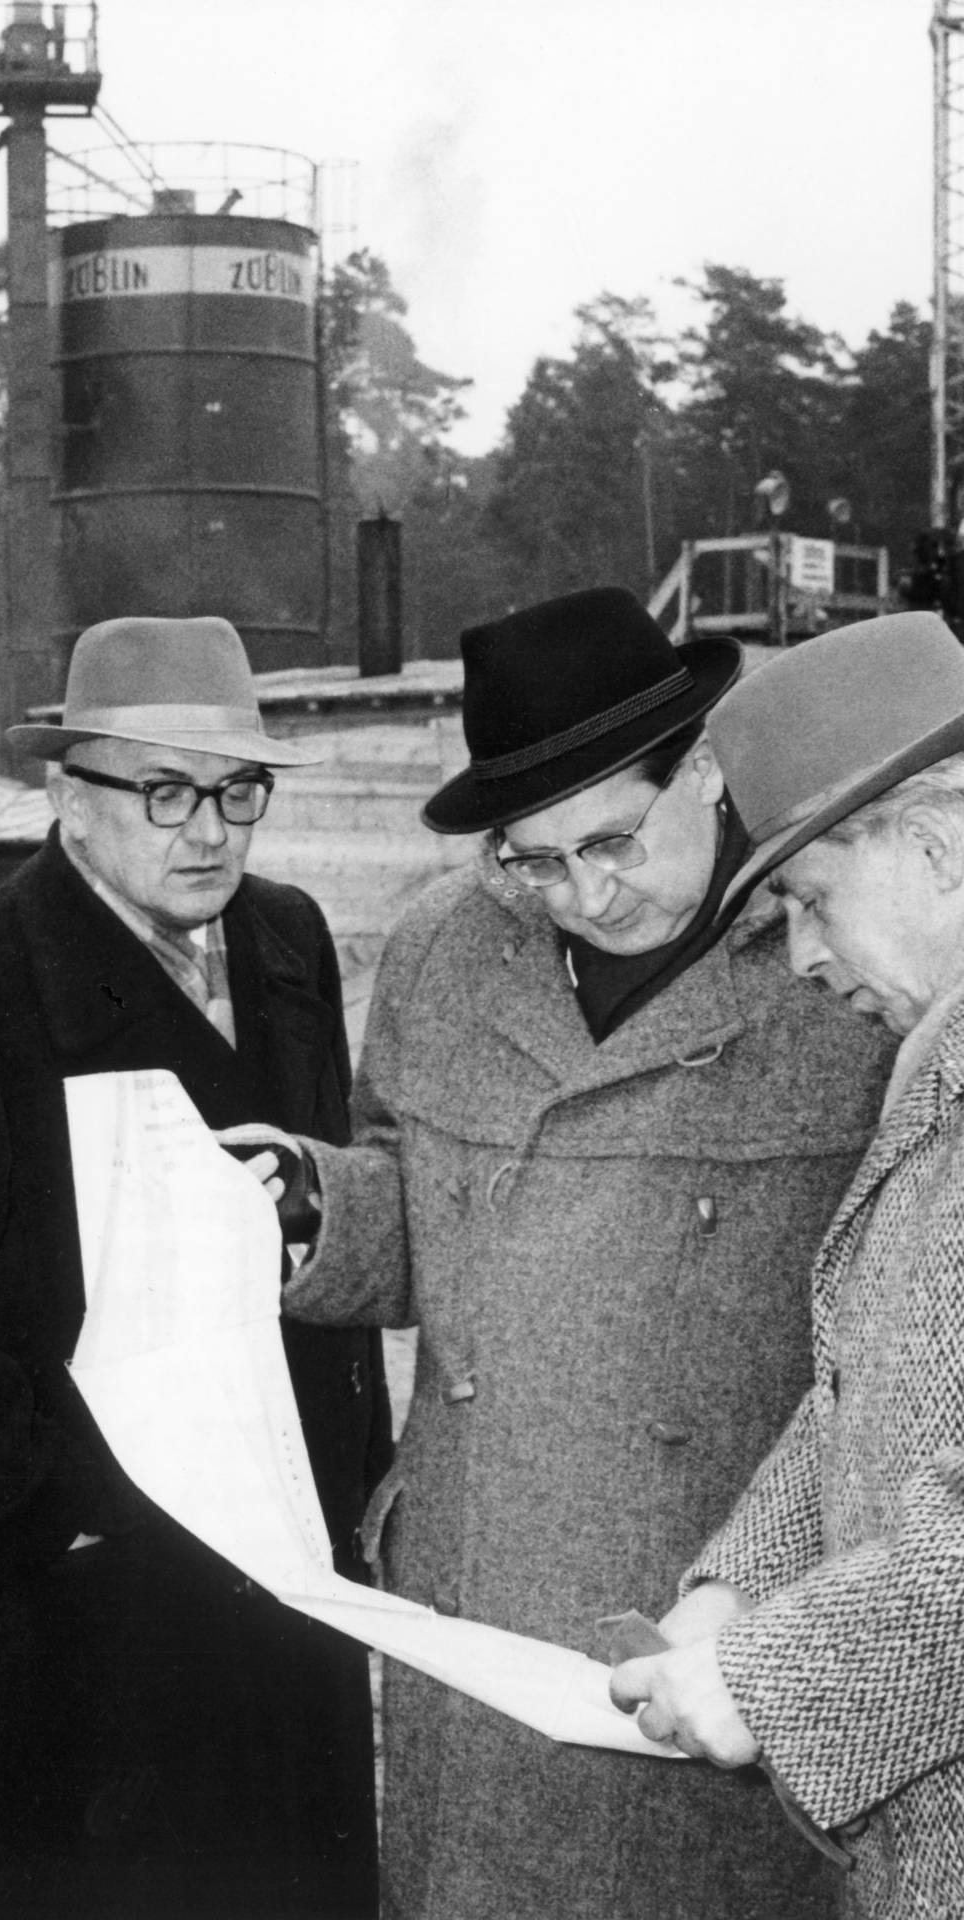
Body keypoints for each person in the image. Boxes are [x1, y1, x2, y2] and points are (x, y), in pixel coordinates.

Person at [279, 588, 894, 1920]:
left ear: (712, 772)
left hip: (708, 1602)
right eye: (534, 858)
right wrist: (313, 1210)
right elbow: (423, 1198)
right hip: (474, 1586)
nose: (583, 894)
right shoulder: (445, 947)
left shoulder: (848, 951)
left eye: (613, 841)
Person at [0, 615, 391, 1920]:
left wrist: (358, 1477)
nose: (210, 830)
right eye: (165, 791)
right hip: (55, 1634)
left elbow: (323, 1254)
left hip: (284, 1601)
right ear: (68, 797)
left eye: (240, 792)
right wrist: (74, 1491)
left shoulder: (290, 945)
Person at [610, 610, 964, 1920]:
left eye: (811, 902)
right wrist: (734, 1593)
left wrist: (775, 1677)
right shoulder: (935, 1066)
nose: (804, 961)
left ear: (930, 846)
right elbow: (865, 1399)